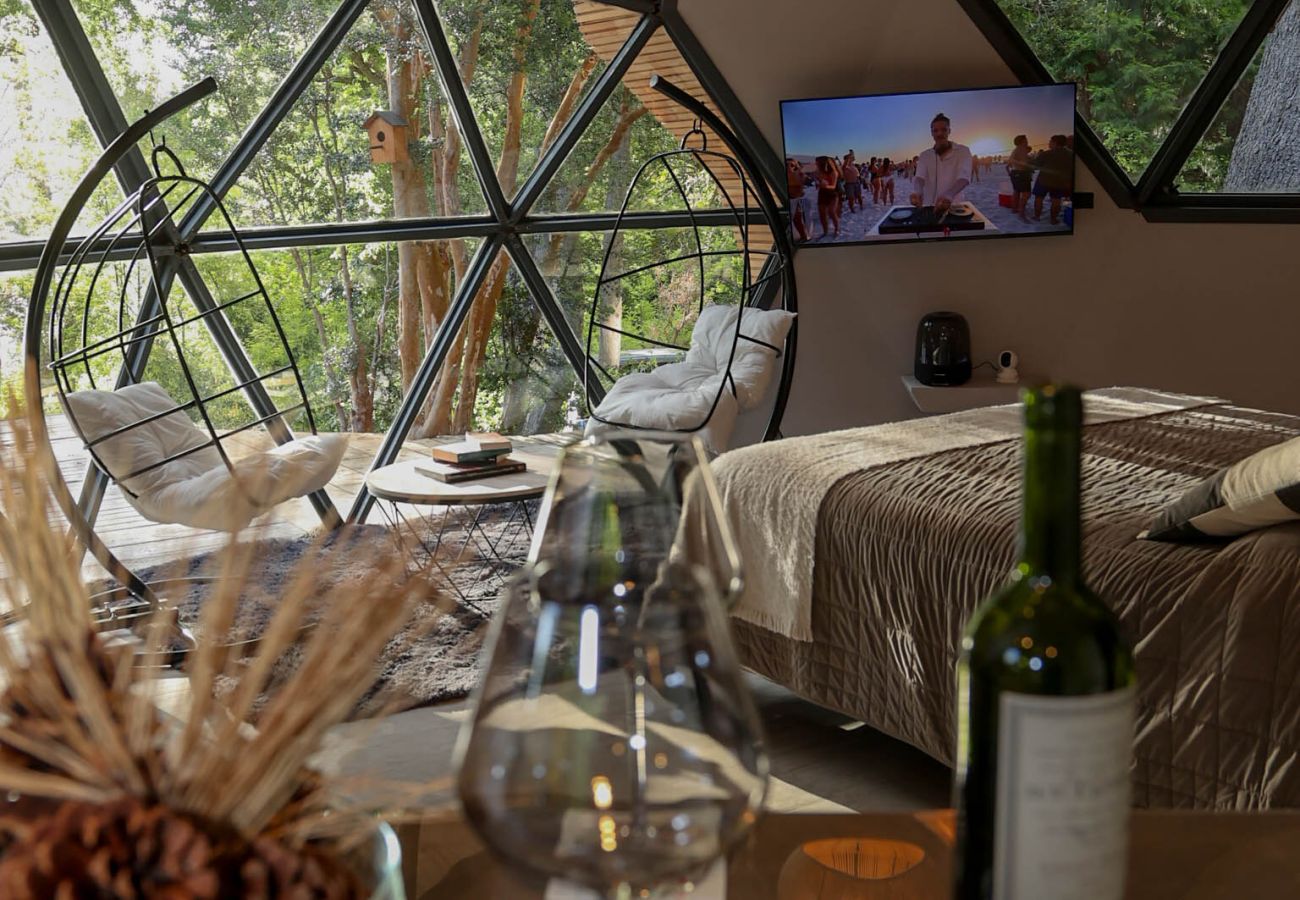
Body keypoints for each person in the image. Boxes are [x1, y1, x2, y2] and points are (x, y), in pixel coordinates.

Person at [909, 112, 973, 215]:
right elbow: (920, 177)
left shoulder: (963, 151)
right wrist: (917, 192)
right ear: (932, 133)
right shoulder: (925, 155)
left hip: (954, 207)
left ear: (949, 131)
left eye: (944, 130)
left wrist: (949, 194)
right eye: (935, 131)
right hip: (928, 207)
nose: (939, 134)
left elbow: (964, 177)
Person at [1031, 134, 1073, 225]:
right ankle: (1053, 220)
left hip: (1044, 180)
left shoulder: (1046, 154)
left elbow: (1035, 166)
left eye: (1050, 141)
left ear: (1055, 143)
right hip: (1060, 182)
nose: (1049, 143)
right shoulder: (1071, 154)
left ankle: (1037, 216)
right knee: (1056, 200)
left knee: (1039, 198)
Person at [1006, 134, 1033, 222]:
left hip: (1015, 173)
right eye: (1026, 140)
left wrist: (1010, 173)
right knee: (1026, 194)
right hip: (1022, 173)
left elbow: (1009, 164)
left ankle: (1014, 209)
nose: (1027, 141)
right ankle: (1021, 214)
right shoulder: (1022, 149)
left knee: (1016, 191)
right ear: (1022, 141)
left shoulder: (1015, 150)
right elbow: (1024, 164)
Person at [814, 155, 842, 239]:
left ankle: (837, 229)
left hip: (832, 193)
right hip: (822, 193)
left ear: (822, 163)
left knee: (832, 212)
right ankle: (825, 231)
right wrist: (818, 183)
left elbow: (833, 186)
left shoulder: (833, 172)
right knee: (822, 214)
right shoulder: (818, 171)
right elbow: (817, 181)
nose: (816, 164)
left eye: (817, 162)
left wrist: (824, 186)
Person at [786, 157, 810, 242]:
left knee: (798, 220)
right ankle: (803, 236)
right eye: (788, 165)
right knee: (796, 220)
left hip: (795, 200)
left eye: (793, 165)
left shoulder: (798, 174)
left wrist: (797, 167)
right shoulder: (789, 174)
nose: (790, 167)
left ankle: (804, 237)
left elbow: (803, 181)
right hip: (790, 200)